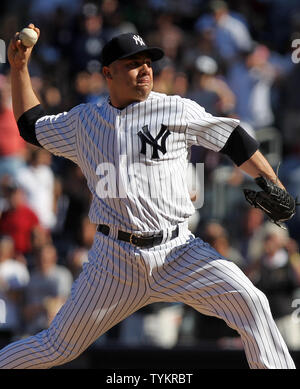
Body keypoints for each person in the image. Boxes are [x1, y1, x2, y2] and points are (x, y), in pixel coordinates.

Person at [0, 23, 296, 369]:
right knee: (57, 347)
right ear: (108, 73)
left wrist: (272, 181)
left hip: (178, 251)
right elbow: (31, 125)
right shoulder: (84, 121)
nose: (145, 69)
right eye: (133, 63)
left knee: (252, 304)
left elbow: (232, 137)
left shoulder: (173, 108)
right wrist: (20, 69)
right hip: (113, 261)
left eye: (148, 62)